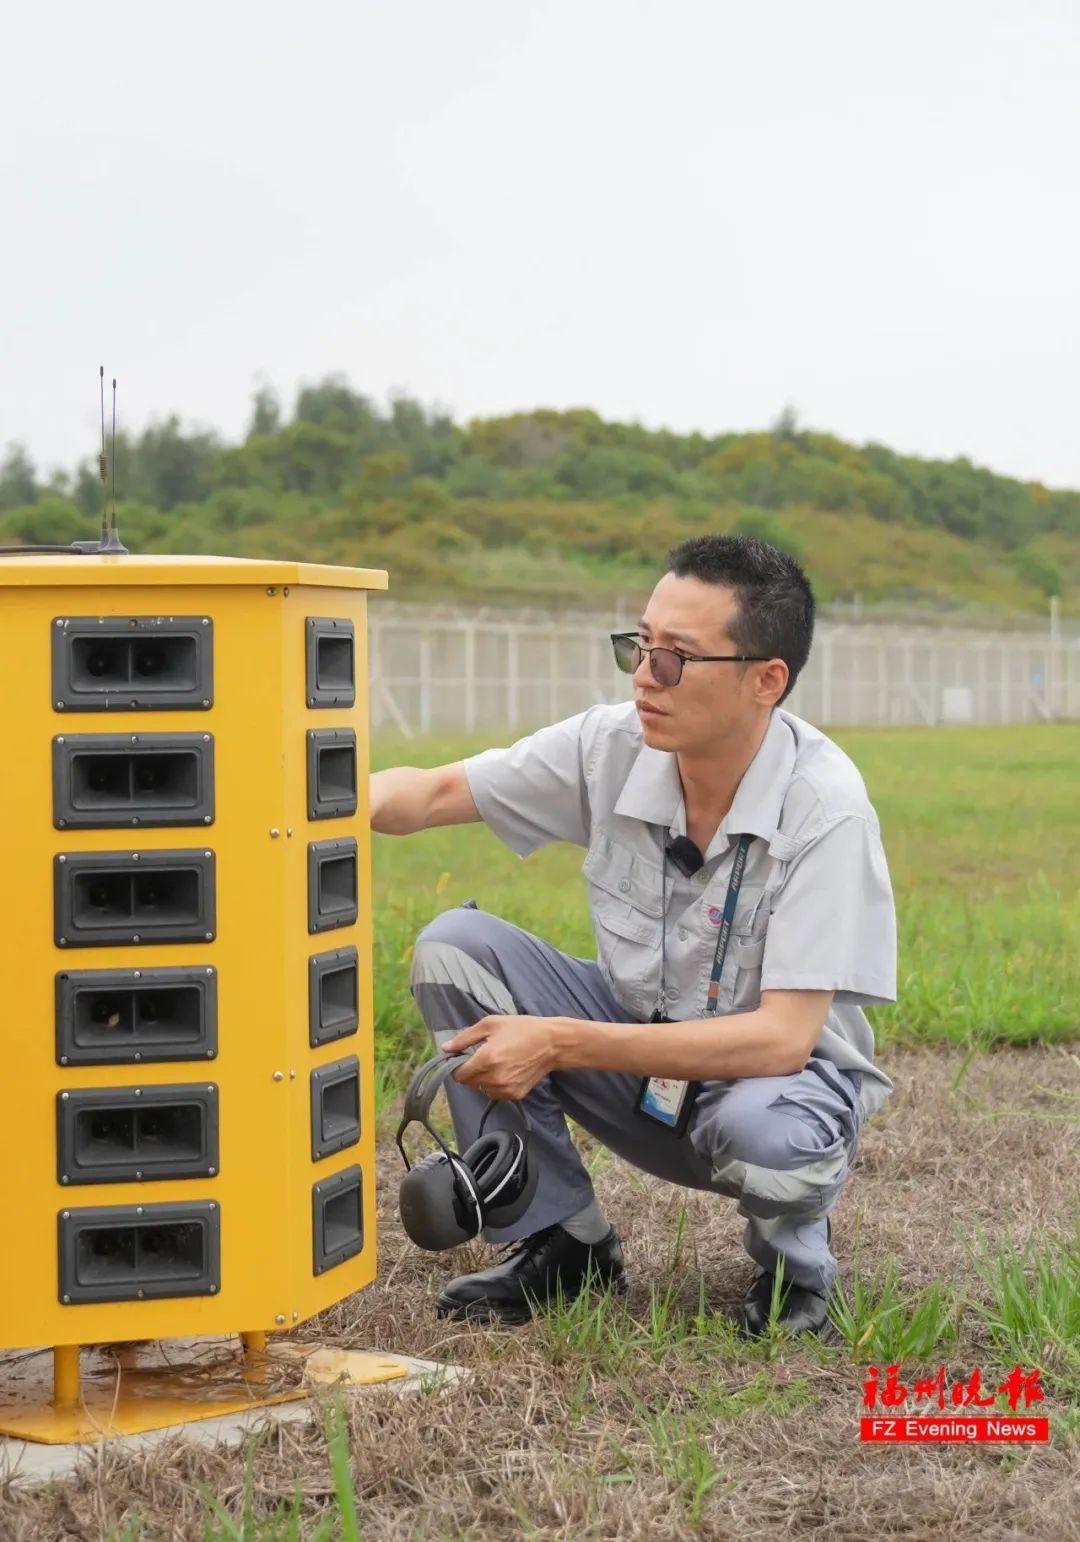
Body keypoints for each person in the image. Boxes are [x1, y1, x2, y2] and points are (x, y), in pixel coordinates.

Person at [369, 534, 897, 1337]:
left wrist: (558, 1042)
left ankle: (797, 1270)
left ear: (766, 680)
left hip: (766, 1089)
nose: (645, 676)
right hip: (637, 1058)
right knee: (456, 948)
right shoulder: (609, 746)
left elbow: (781, 1042)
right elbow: (435, 792)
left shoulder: (825, 811)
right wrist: (297, 789)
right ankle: (563, 1240)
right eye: (639, 646)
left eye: (677, 657)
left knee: (770, 1136)